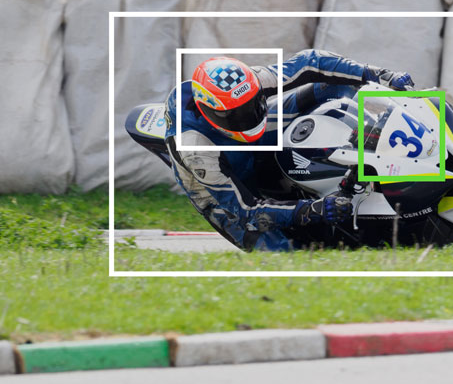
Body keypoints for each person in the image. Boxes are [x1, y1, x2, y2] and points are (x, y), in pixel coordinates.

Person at [163, 49, 414, 250]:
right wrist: (311, 210)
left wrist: (377, 74)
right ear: (210, 112)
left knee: (329, 88)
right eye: (237, 114)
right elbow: (245, 211)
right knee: (288, 254)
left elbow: (309, 62)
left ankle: (384, 146)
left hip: (254, 138)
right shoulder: (196, 149)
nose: (248, 117)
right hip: (226, 190)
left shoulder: (250, 84)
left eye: (252, 105)